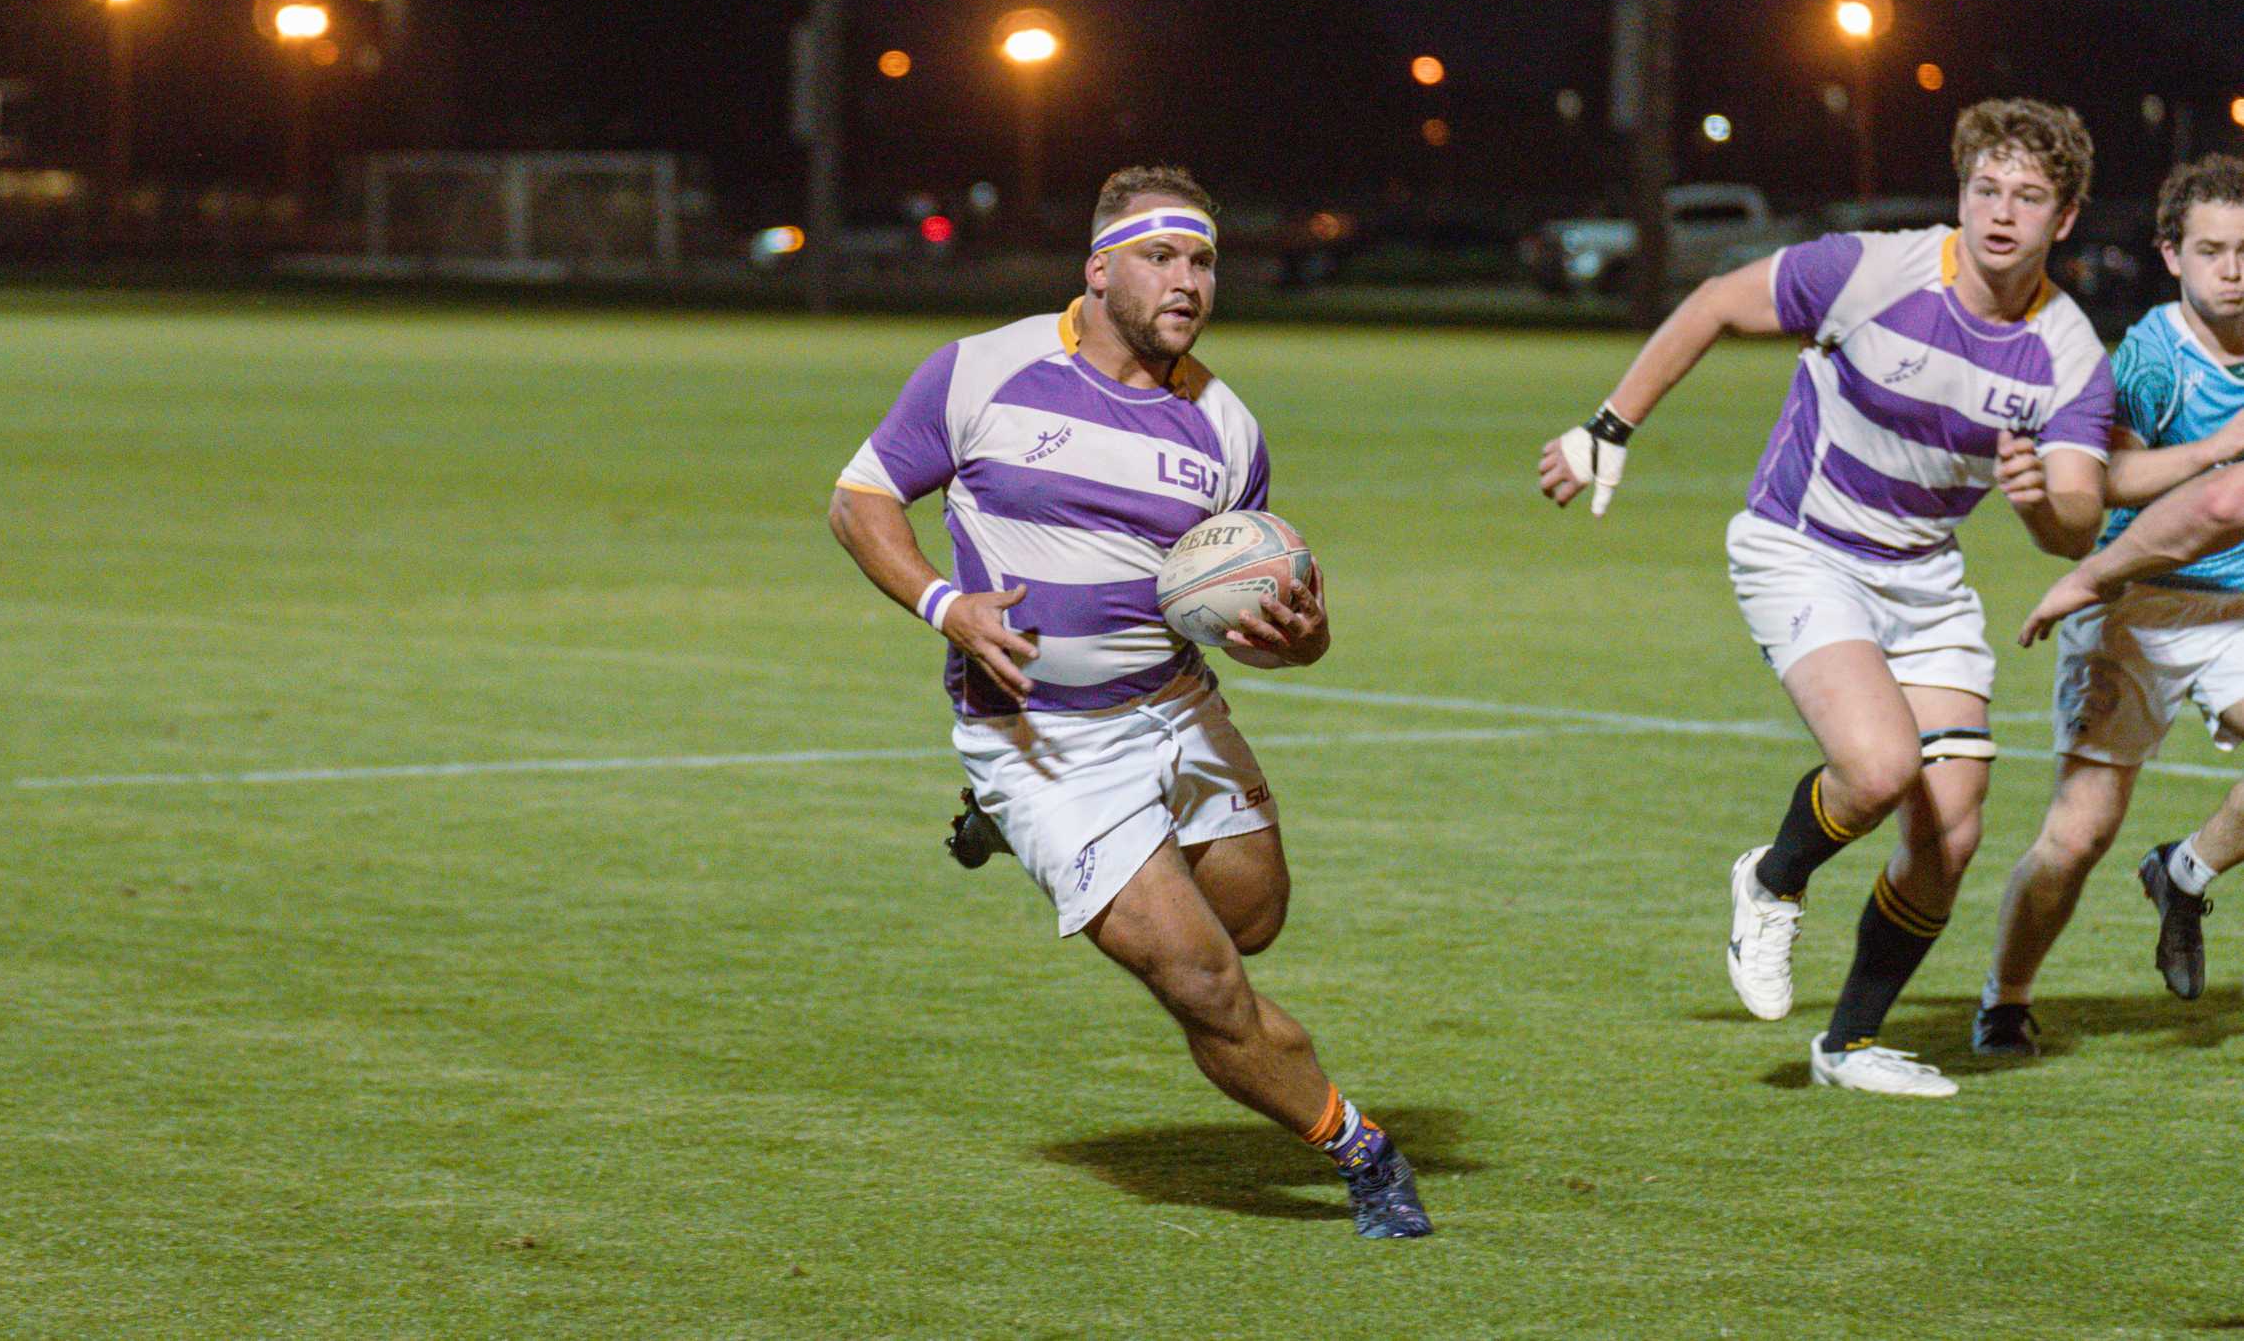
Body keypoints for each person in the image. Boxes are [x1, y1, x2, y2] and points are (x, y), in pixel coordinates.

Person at [828, 166, 1431, 1237]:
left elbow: (1244, 610)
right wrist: (946, 604)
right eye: (1162, 256)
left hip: (1178, 708)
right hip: (1039, 742)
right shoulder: (982, 372)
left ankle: (1015, 842)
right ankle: (1361, 1151)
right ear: (1099, 269)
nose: (1188, 279)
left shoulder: (1229, 432)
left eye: (1203, 260)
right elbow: (861, 497)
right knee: (1201, 980)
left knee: (1251, 923)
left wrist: (1302, 639)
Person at [1538, 99, 2114, 1096]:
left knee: (1956, 827)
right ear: (1962, 192)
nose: (2001, 213)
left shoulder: (2068, 354)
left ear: (2063, 220)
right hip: (1799, 548)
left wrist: (2042, 505)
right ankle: (1771, 881)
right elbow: (1717, 301)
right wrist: (1609, 427)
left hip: (1924, 578)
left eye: (2029, 196)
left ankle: (1847, 1046)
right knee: (1882, 764)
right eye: (1986, 188)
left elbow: (2073, 515)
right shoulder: (1873, 269)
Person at [2006, 160, 2244, 1031]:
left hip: (2237, 613)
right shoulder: (2151, 352)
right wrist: (2216, 448)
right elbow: (2105, 479)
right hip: (2134, 606)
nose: (2233, 268)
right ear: (2171, 255)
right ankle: (2006, 999)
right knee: (2077, 837)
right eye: (2212, 250)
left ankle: (2183, 873)